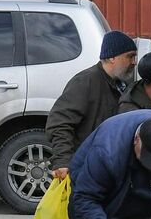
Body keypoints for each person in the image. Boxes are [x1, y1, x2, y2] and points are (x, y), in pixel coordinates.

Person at [46, 29, 138, 180]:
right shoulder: (86, 81)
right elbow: (59, 122)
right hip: (87, 169)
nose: (134, 62)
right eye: (130, 56)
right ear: (112, 57)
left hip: (112, 168)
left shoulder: (123, 84)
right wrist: (63, 161)